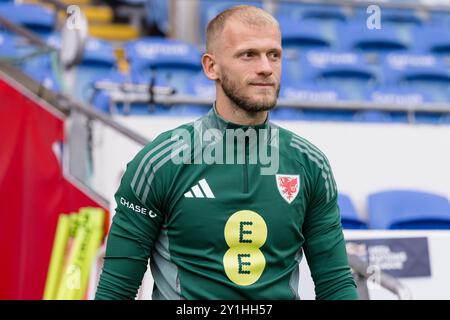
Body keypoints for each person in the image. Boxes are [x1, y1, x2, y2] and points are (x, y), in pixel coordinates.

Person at [95, 5, 358, 300]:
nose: (266, 68)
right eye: (249, 54)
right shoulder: (160, 162)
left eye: (274, 55)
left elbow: (335, 283)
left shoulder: (310, 164)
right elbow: (116, 290)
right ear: (211, 67)